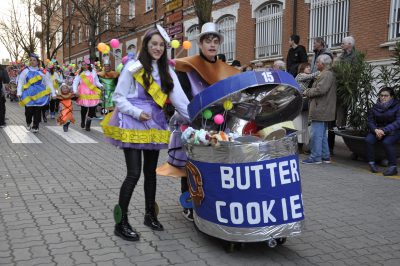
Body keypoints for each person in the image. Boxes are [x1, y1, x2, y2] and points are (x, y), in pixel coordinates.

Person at [101, 25, 190, 241]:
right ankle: (120, 223)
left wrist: (198, 119)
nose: (158, 48)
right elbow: (118, 97)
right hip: (133, 122)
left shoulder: (167, 71)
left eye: (161, 45)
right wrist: (137, 112)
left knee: (150, 173)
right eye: (154, 44)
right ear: (146, 45)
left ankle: (150, 215)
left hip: (155, 123)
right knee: (133, 173)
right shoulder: (133, 66)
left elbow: (180, 102)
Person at [156, 22, 240, 222]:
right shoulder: (186, 67)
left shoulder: (224, 69)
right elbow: (182, 96)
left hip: (218, 123)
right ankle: (189, 202)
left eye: (215, 41)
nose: (212, 45)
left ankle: (208, 200)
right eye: (208, 41)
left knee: (213, 164)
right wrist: (195, 115)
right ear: (200, 43)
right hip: (192, 120)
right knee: (190, 164)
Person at [302, 54, 336, 164]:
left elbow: (320, 90)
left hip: (320, 108)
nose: (316, 64)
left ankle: (315, 157)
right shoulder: (327, 74)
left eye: (317, 62)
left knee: (316, 134)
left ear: (323, 63)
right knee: (321, 135)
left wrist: (307, 92)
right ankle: (325, 156)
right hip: (322, 107)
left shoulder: (326, 74)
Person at [17, 53, 56, 133]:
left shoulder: (43, 72)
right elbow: (20, 82)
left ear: (38, 62)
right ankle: (28, 122)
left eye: (34, 60)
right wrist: (19, 92)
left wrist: (53, 93)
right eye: (30, 60)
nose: (32, 62)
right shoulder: (25, 71)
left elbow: (48, 82)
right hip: (28, 94)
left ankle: (36, 126)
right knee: (29, 111)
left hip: (39, 94)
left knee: (37, 111)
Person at [366, 87, 400, 176]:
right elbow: (370, 121)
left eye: (386, 96)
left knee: (387, 142)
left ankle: (393, 167)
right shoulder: (375, 106)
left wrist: (383, 131)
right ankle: (372, 163)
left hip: (394, 130)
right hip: (378, 130)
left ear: (391, 97)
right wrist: (375, 130)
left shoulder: (397, 107)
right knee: (369, 140)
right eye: (381, 95)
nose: (383, 97)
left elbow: (398, 122)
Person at [293, 63, 320, 153]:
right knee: (299, 124)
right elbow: (313, 75)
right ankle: (298, 146)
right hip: (298, 103)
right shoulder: (300, 75)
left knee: (304, 124)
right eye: (307, 67)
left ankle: (302, 146)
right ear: (302, 68)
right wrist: (321, 70)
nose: (309, 68)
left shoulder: (307, 76)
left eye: (309, 67)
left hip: (304, 103)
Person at [72, 58, 103, 131]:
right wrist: (75, 91)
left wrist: (101, 86)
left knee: (92, 109)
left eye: (85, 65)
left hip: (92, 92)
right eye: (82, 65)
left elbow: (97, 82)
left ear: (88, 65)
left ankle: (88, 124)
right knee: (84, 109)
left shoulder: (93, 72)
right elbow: (75, 82)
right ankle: (83, 121)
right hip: (83, 92)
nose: (83, 66)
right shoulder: (80, 73)